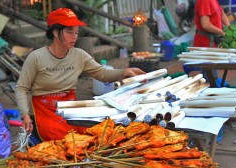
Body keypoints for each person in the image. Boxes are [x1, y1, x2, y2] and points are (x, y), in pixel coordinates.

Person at [15, 8, 146, 142]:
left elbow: (101, 73)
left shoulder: (79, 55)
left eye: (76, 32)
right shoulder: (36, 57)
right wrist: (25, 115)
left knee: (90, 136)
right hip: (45, 110)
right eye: (69, 31)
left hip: (71, 108)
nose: (74, 36)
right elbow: (22, 88)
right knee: (59, 141)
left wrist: (124, 72)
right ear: (55, 32)